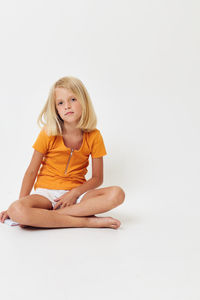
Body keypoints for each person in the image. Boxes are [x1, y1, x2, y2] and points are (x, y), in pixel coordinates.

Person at [0, 76, 125, 229]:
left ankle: (48, 217)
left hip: (77, 195)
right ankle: (86, 221)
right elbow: (31, 171)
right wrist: (20, 204)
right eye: (60, 103)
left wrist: (74, 193)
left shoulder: (94, 136)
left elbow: (97, 178)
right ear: (56, 109)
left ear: (83, 101)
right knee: (16, 209)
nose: (67, 106)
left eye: (73, 99)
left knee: (117, 194)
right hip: (45, 194)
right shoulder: (48, 132)